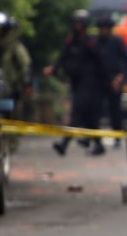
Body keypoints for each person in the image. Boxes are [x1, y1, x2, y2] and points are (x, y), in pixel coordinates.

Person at [43, 9, 107, 156]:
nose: (76, 26)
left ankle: (64, 144)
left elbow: (101, 63)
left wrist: (105, 83)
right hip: (76, 82)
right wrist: (53, 69)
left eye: (78, 23)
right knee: (89, 118)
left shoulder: (91, 42)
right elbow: (62, 57)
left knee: (77, 114)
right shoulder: (71, 41)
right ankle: (98, 144)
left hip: (90, 84)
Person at [94, 15, 127, 148]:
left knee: (115, 110)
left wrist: (121, 77)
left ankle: (117, 137)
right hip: (99, 81)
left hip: (115, 81)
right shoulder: (95, 43)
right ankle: (95, 139)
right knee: (96, 111)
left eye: (106, 28)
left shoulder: (117, 42)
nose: (104, 31)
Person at [0, 12, 33, 124]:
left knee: (8, 116)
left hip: (10, 89)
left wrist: (26, 82)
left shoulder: (15, 47)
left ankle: (8, 139)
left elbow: (26, 64)